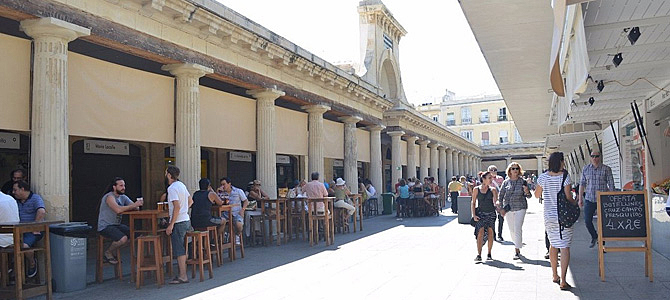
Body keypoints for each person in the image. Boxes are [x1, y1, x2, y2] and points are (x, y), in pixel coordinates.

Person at [535, 152, 575, 291]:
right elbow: (569, 196)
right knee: (564, 247)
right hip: (563, 216)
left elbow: (537, 195)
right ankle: (563, 280)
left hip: (549, 216)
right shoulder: (565, 176)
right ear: (561, 162)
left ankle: (554, 275)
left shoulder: (543, 177)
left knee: (553, 244)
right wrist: (575, 203)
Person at [97, 177, 143, 265]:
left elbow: (135, 207)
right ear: (114, 187)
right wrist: (132, 206)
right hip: (105, 226)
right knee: (123, 238)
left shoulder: (123, 197)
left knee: (136, 235)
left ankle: (115, 248)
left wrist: (138, 204)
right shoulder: (109, 197)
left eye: (124, 185)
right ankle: (108, 252)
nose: (123, 188)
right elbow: (118, 210)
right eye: (121, 185)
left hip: (116, 225)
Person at [578, 149, 615, 248]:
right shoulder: (586, 169)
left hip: (602, 199)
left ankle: (602, 244)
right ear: (590, 157)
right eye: (593, 156)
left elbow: (611, 184)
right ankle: (594, 236)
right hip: (589, 199)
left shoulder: (606, 169)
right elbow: (582, 184)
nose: (595, 158)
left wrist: (611, 197)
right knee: (587, 220)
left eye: (597, 156)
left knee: (602, 222)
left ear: (600, 157)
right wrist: (580, 198)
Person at [12, 181, 47, 277]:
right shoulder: (15, 201)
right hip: (19, 230)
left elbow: (41, 211)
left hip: (33, 231)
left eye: (15, 190)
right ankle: (12, 268)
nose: (13, 192)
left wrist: (34, 227)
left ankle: (32, 263)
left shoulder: (35, 198)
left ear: (22, 189)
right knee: (7, 244)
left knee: (24, 245)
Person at [165, 166, 193, 285]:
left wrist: (171, 224)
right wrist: (184, 210)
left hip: (178, 221)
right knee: (182, 246)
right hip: (186, 219)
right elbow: (191, 201)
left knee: (179, 248)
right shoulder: (181, 185)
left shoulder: (171, 188)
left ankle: (183, 276)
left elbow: (176, 206)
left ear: (169, 175)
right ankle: (183, 274)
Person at [498, 163, 532, 260]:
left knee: (517, 228)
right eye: (513, 168)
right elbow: (501, 195)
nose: (515, 170)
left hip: (520, 207)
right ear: (509, 170)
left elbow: (529, 196)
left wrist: (526, 191)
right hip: (508, 208)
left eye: (517, 168)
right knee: (512, 229)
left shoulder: (523, 181)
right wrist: (500, 205)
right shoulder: (506, 182)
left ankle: (517, 250)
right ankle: (517, 243)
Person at [471, 171, 499, 262]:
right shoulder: (476, 189)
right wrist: (474, 214)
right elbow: (473, 202)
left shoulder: (493, 190)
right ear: (483, 179)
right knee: (480, 232)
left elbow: (496, 201)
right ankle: (479, 254)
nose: (491, 180)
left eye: (492, 178)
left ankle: (489, 253)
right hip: (481, 214)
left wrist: (499, 205)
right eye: (489, 178)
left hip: (491, 213)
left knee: (491, 232)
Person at [218, 177, 248, 242]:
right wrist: (218, 192)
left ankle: (237, 234)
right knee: (219, 222)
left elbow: (245, 201)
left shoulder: (238, 191)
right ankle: (219, 239)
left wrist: (243, 210)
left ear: (229, 184)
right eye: (221, 185)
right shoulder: (221, 193)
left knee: (238, 224)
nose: (222, 186)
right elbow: (217, 201)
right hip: (225, 213)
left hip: (236, 212)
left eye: (224, 184)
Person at [488, 165, 505, 241]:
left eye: (495, 169)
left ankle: (500, 234)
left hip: (499, 200)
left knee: (501, 218)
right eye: (492, 170)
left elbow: (503, 189)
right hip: (490, 201)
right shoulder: (487, 179)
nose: (494, 171)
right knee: (492, 219)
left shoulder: (500, 178)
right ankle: (493, 234)